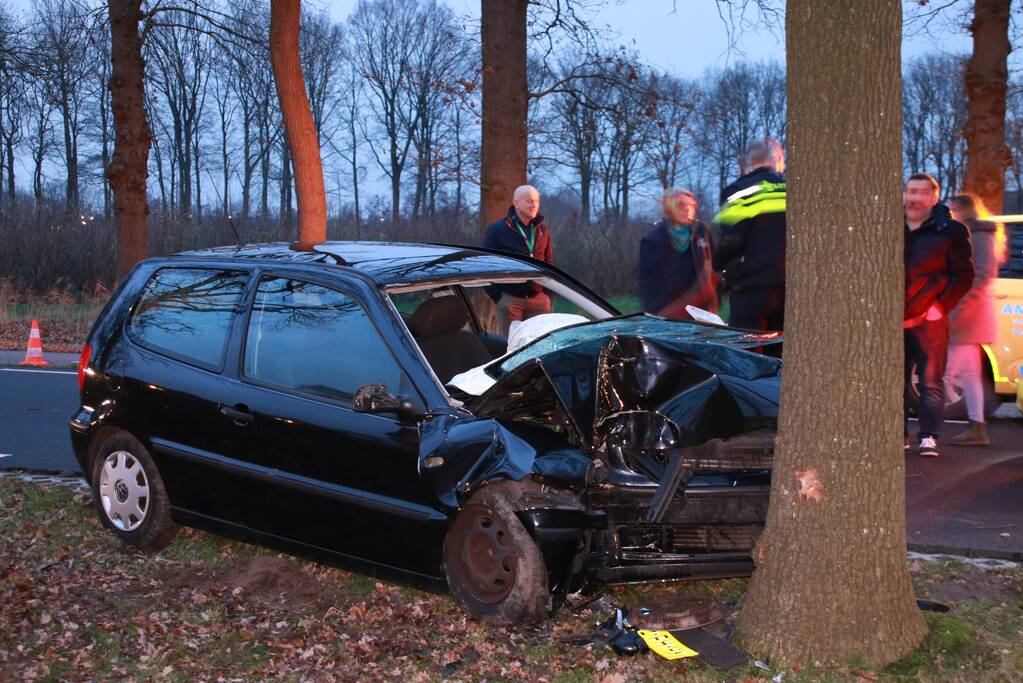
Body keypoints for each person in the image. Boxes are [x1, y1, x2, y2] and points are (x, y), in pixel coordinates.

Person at [903, 173, 975, 458]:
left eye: (921, 192)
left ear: (934, 197)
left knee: (931, 381)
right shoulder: (888, 225)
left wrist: (940, 307)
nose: (914, 198)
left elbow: (964, 275)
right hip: (891, 319)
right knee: (891, 382)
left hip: (930, 320)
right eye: (910, 191)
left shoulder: (951, 231)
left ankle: (928, 437)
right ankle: (897, 437)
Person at [944, 193, 1007, 446]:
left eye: (953, 210)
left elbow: (981, 276)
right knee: (969, 373)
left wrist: (958, 308)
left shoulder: (980, 235)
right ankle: (976, 426)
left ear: (964, 210)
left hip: (968, 314)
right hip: (968, 313)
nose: (951, 214)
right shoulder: (974, 234)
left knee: (946, 372)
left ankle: (926, 429)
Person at [713, 137, 787, 332]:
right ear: (778, 159)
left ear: (749, 163)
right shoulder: (792, 190)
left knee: (748, 352)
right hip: (788, 288)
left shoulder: (739, 191)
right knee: (781, 353)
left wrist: (716, 265)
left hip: (751, 288)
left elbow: (731, 240)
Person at [482, 185, 554, 335]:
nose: (533, 205)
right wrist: (499, 297)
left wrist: (547, 294)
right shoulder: (497, 230)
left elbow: (549, 262)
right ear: (515, 202)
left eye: (536, 201)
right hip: (511, 301)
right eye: (529, 201)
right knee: (511, 347)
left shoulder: (543, 230)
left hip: (539, 300)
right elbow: (484, 265)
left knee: (540, 345)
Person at [638, 189, 719, 319]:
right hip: (668, 313)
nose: (688, 209)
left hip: (702, 312)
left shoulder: (702, 232)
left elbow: (714, 267)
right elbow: (649, 284)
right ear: (670, 208)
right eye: (682, 205)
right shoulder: (652, 240)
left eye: (692, 205)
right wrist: (657, 313)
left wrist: (715, 296)